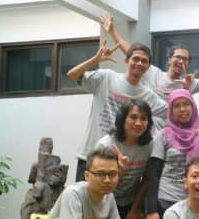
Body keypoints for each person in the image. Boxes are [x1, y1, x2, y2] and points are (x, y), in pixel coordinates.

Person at [67, 39, 167, 182]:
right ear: (126, 61)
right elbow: (72, 75)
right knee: (84, 202)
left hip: (123, 161)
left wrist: (196, 126)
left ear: (148, 66)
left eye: (144, 61)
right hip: (91, 155)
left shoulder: (148, 95)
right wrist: (95, 60)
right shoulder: (107, 77)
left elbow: (174, 112)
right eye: (135, 59)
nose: (139, 63)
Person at [100, 14, 199, 100]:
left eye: (185, 59)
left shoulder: (190, 83)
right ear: (169, 60)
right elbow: (131, 51)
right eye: (177, 57)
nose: (181, 61)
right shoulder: (153, 73)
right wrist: (113, 32)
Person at [146, 89, 199, 219]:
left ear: (193, 107)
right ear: (170, 110)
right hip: (168, 200)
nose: (182, 109)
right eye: (176, 106)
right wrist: (151, 209)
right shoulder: (162, 136)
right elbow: (153, 173)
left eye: (186, 104)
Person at [49, 146, 150, 219]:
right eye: (100, 174)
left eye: (112, 174)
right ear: (87, 176)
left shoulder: (108, 197)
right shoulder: (73, 194)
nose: (107, 180)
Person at [95, 100, 154, 219]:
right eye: (133, 117)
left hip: (131, 203)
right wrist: (119, 172)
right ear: (122, 119)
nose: (138, 123)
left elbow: (147, 179)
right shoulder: (106, 145)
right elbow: (97, 186)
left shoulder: (149, 146)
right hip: (104, 203)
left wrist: (135, 209)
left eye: (143, 118)